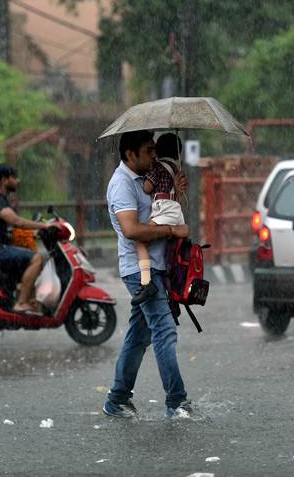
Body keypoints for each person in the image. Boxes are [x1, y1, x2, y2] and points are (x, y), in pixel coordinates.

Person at [103, 130, 193, 419]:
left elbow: (162, 208)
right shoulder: (122, 185)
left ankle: (117, 400)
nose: (155, 155)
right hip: (140, 272)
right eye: (149, 150)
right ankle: (176, 402)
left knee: (139, 336)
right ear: (130, 154)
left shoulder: (146, 178)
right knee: (164, 331)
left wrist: (176, 192)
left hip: (158, 266)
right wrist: (171, 230)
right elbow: (131, 230)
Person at [0, 164, 48, 314]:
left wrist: (35, 233)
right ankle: (21, 303)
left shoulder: (0, 198)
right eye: (14, 177)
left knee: (28, 255)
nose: (18, 181)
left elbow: (7, 228)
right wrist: (44, 226)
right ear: (4, 180)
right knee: (37, 259)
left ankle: (30, 301)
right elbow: (16, 221)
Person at [131, 133, 185, 304]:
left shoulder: (157, 167)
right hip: (175, 209)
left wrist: (145, 179)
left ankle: (146, 283)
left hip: (164, 209)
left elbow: (147, 188)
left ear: (158, 150)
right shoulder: (177, 168)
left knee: (140, 242)